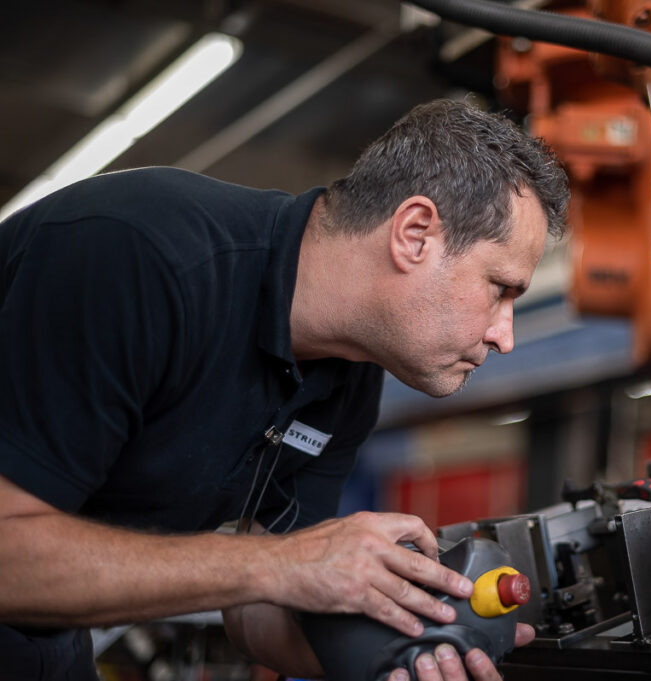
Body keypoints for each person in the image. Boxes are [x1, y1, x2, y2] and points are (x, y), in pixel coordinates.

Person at [0, 98, 569, 681]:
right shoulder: (141, 258)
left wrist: (407, 646)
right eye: (500, 289)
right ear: (415, 234)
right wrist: (277, 564)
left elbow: (260, 611)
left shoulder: (349, 377)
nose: (505, 337)